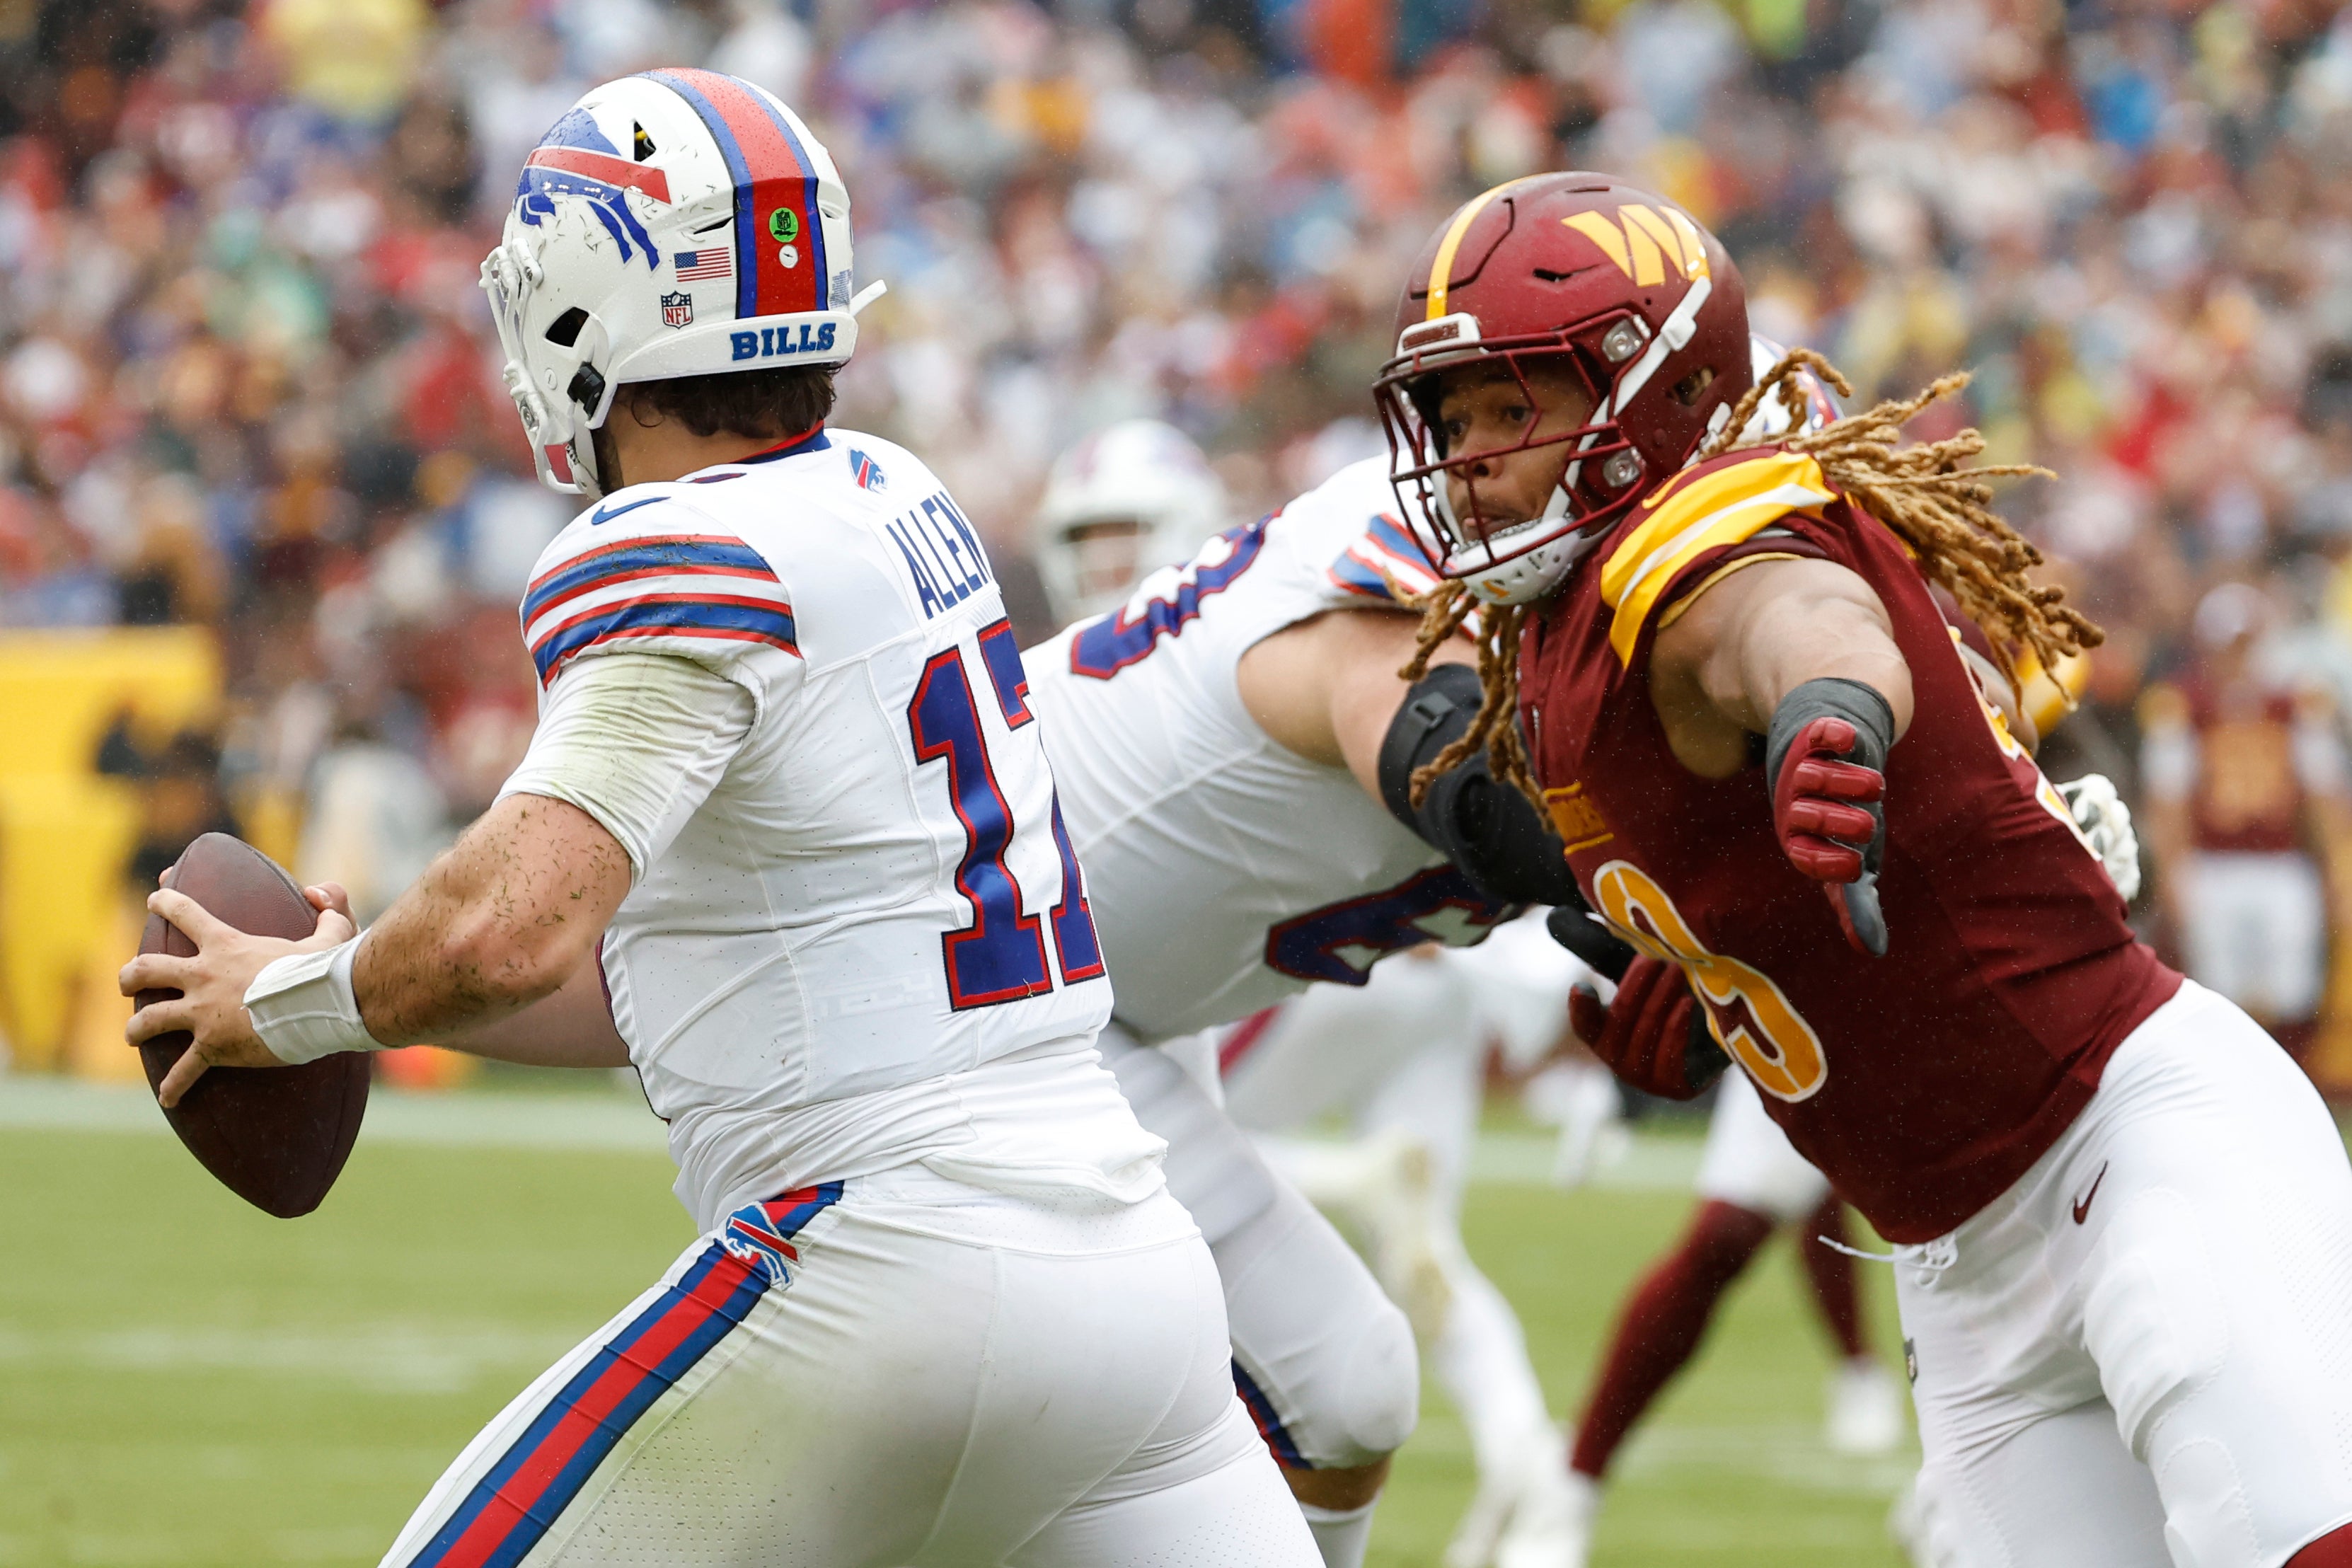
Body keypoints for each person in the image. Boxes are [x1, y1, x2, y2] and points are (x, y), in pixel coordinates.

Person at [120, 70, 1318, 1568]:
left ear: (589, 305)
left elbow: (506, 925)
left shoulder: (677, 542)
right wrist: (376, 986)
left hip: (885, 1265)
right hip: (1132, 1279)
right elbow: (687, 964)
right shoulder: (896, 497)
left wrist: (291, 1004)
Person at [1375, 170, 2352, 1566]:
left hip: (2127, 1141)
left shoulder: (1695, 540)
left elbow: (1800, 616)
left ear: (1644, 400)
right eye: (1453, 416)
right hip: (1955, 1271)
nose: (1467, 455)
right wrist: (1708, 992)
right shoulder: (1545, 656)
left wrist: (1828, 717)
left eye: (1508, 408)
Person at [1211, 916, 1591, 1568]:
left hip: (1348, 951)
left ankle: (1347, 1179)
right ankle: (1527, 1463)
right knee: (1431, 1255)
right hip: (1448, 985)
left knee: (1150, 1132)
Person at [2140, 581, 2351, 1061]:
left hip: (2282, 862)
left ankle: (2292, 1088)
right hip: (2214, 865)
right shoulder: (2184, 704)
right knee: (2221, 995)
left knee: (2290, 991)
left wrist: (2336, 864)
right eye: (2230, 645)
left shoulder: (2297, 702)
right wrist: (2174, 871)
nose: (2239, 657)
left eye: (2246, 643)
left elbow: (2321, 794)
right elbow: (2168, 800)